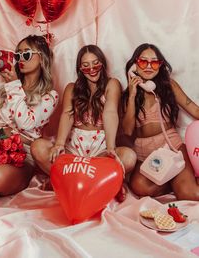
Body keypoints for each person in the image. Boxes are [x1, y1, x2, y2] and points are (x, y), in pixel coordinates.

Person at [31, 45, 137, 200]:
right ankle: (91, 183)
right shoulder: (71, 88)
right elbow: (67, 114)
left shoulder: (112, 84)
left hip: (101, 149)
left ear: (102, 63)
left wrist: (110, 148)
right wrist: (59, 144)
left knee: (129, 157)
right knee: (37, 147)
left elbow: (110, 112)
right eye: (86, 66)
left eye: (96, 63)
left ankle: (67, 182)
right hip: (73, 150)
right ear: (80, 68)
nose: (92, 69)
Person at [0, 34, 59, 199]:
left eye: (26, 54)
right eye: (17, 55)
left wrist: (14, 85)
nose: (20, 59)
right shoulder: (6, 88)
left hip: (20, 156)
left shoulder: (50, 95)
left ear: (42, 58)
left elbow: (26, 123)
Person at [121, 43, 199, 200]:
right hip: (145, 154)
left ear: (160, 65)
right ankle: (175, 181)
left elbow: (193, 108)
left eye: (154, 62)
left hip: (171, 147)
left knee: (188, 194)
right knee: (139, 188)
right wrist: (131, 95)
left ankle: (182, 182)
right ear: (135, 65)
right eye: (143, 61)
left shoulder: (169, 86)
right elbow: (128, 130)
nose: (149, 66)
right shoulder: (128, 95)